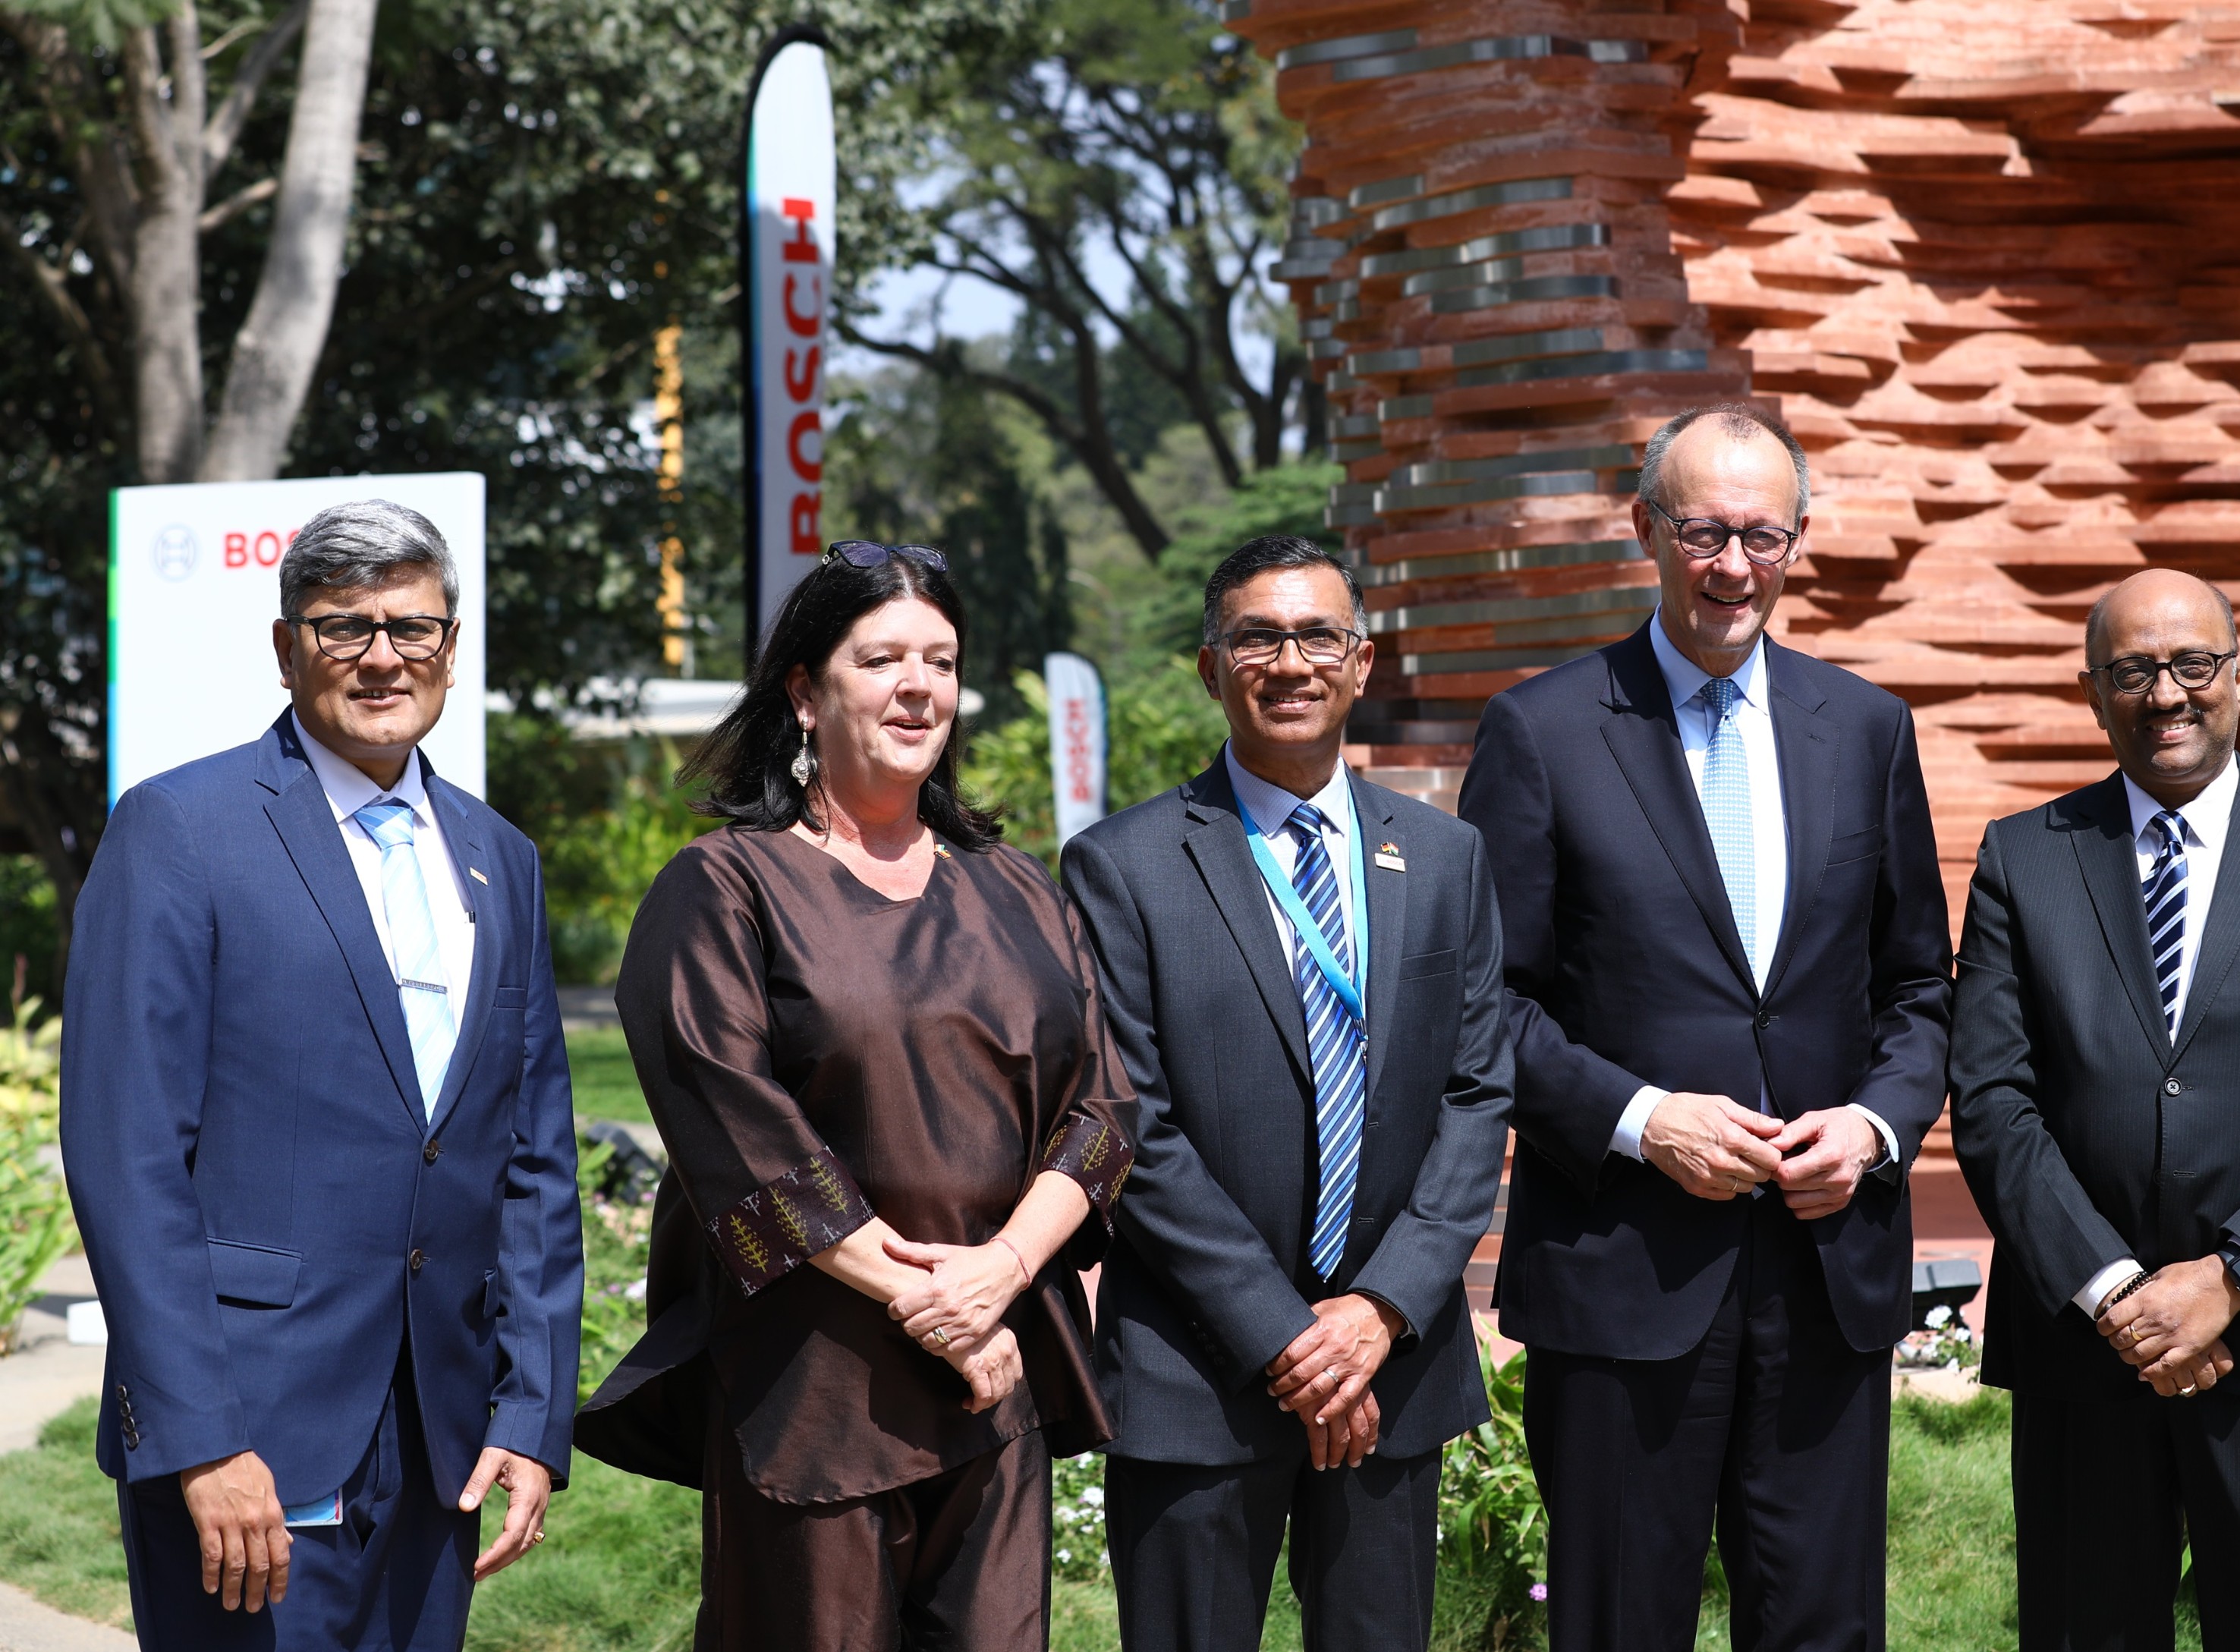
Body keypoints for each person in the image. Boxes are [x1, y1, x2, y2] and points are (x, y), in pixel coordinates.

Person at [571, 541, 1136, 1652]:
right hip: (817, 1391)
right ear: (804, 689)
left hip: (996, 1379)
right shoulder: (726, 887)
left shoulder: (1017, 882)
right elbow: (737, 1135)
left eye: (941, 658)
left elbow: (1104, 1114)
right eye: (882, 658)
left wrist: (1001, 1276)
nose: (918, 684)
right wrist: (936, 1307)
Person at [1455, 403, 1954, 1650]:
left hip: (1826, 1272)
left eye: (1763, 534)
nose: (1735, 565)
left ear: (1798, 541)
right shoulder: (1543, 731)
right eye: (1704, 531)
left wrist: (1880, 1127)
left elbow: (1919, 991)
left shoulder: (1868, 732)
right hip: (1626, 1276)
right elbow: (1484, 1005)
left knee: (1824, 1628)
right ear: (1645, 531)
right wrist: (1640, 1119)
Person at [61, 499, 584, 1649]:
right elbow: (126, 1155)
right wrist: (200, 1437)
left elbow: (534, 1157)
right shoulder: (179, 831)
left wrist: (533, 1411)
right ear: (287, 644)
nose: (384, 655)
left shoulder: (502, 859)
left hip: (440, 1436)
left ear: (454, 643)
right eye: (344, 625)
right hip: (250, 1440)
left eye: (415, 625)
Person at [1947, 567, 2240, 1652]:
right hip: (2085, 1346)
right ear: (2093, 692)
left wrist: (2232, 1275)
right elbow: (1991, 1099)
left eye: (2193, 663)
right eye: (2132, 670)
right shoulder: (2026, 858)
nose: (2167, 693)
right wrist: (2117, 1290)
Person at [1060, 534, 1515, 1651]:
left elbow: (1477, 1091)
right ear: (1211, 668)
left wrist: (1377, 1309)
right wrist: (1285, 1336)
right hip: (1196, 1375)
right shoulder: (1124, 865)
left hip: (1390, 1366)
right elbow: (1136, 1125)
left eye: (1318, 634)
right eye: (1257, 636)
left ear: (1363, 662)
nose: (1291, 660)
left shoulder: (1447, 856)